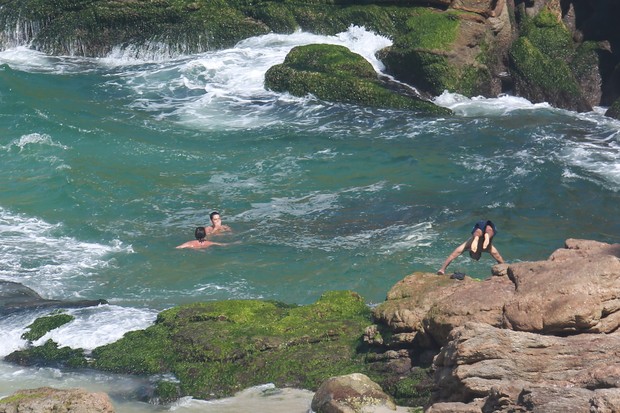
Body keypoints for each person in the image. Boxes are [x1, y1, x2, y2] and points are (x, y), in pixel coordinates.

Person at [437, 220, 504, 275]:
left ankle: (479, 237)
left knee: (480, 231)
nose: (477, 258)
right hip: (486, 229)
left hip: (480, 230)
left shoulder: (467, 245)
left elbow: (452, 256)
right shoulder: (488, 249)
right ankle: (485, 236)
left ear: (471, 252)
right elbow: (499, 258)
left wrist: (442, 269)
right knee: (487, 230)